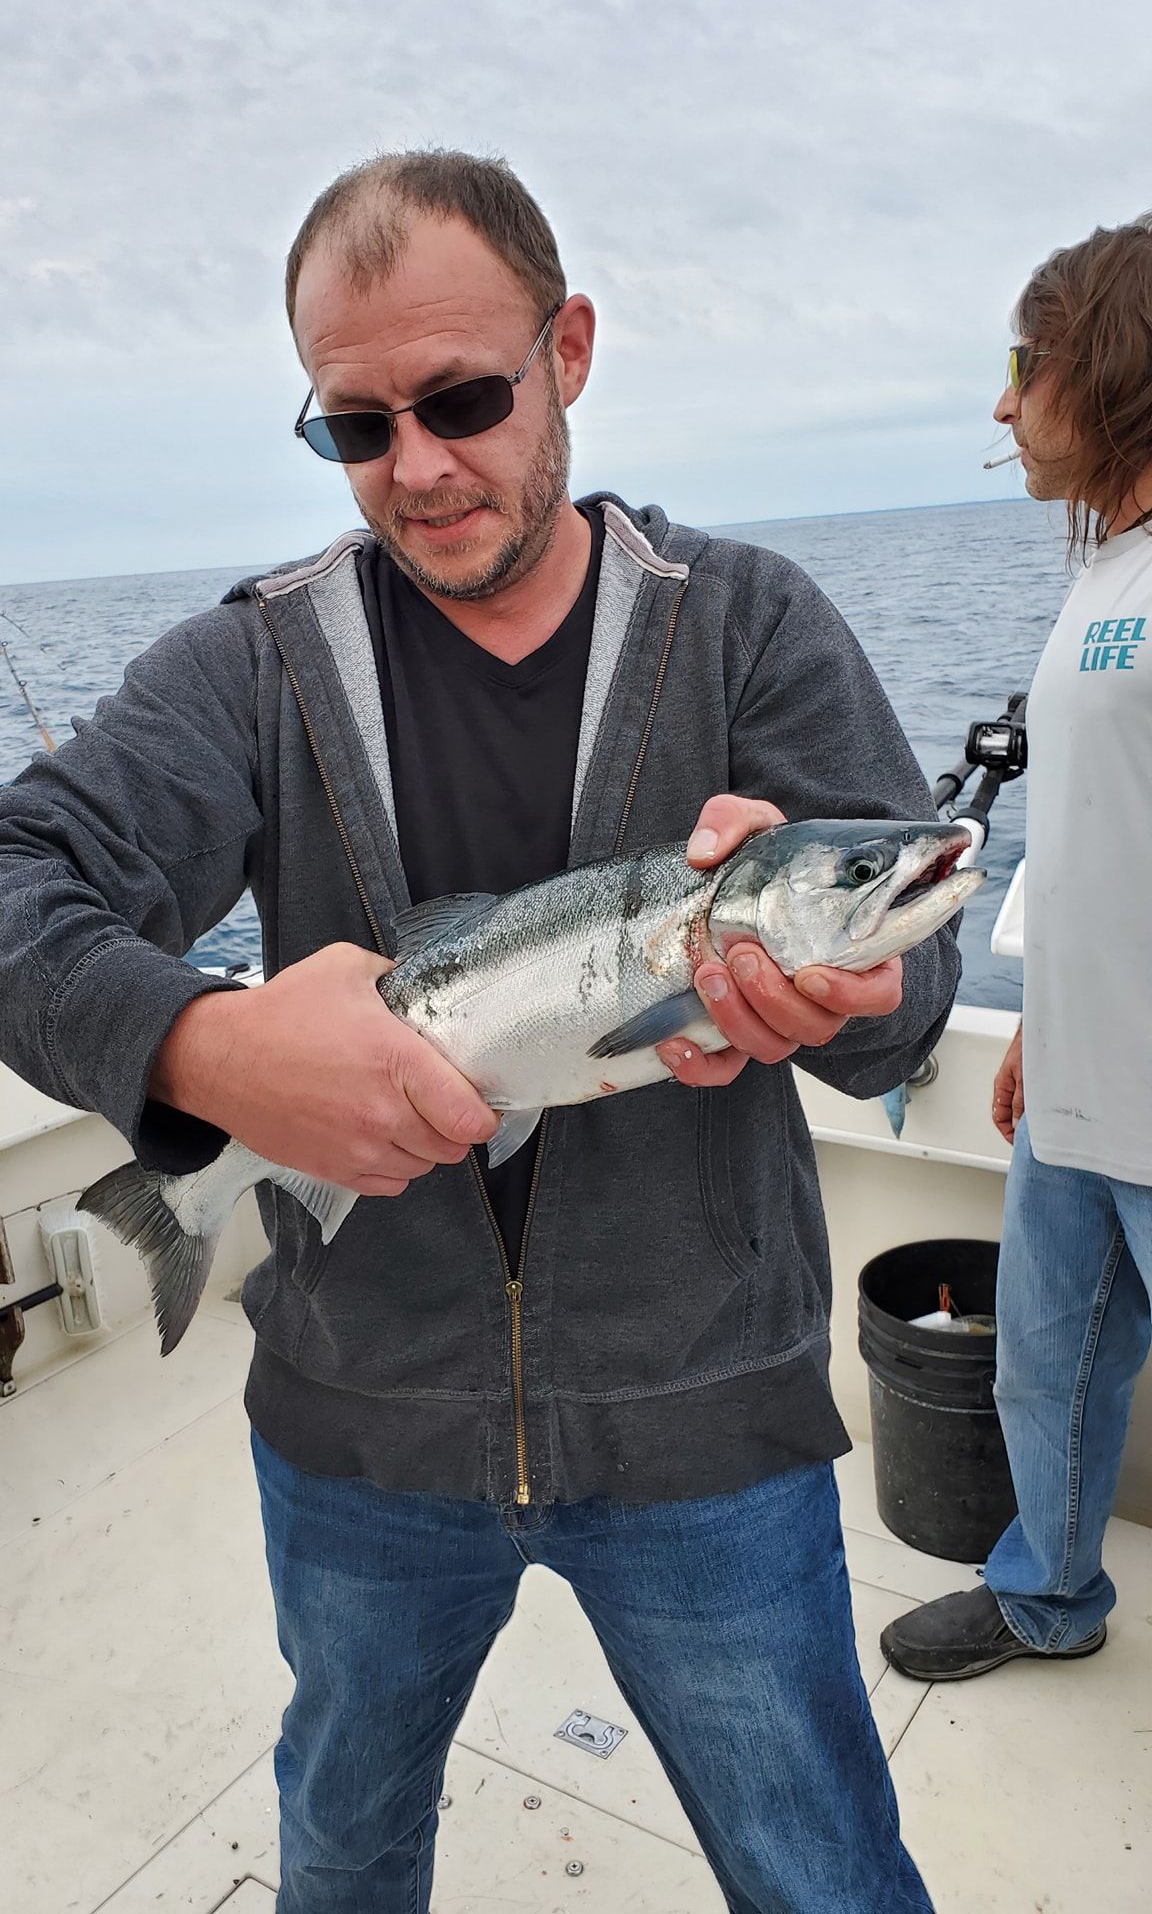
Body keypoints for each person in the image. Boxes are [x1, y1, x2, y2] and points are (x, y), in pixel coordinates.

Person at [0, 150, 957, 1913]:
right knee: (348, 1848)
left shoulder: (748, 626)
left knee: (821, 1869)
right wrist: (208, 1054)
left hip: (707, 1424)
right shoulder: (255, 669)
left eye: (462, 398)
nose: (420, 466)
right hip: (360, 1429)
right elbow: (15, 874)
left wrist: (867, 1001)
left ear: (569, 350)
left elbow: (903, 1028)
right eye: (356, 428)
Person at [882, 215, 1152, 1685]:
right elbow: (1111, 829)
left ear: (1107, 366)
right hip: (1086, 1096)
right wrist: (1048, 1022)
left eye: (1023, 364)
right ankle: (1049, 1595)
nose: (1003, 402)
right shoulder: (1104, 573)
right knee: (1043, 1367)